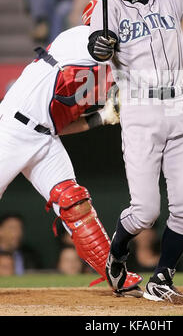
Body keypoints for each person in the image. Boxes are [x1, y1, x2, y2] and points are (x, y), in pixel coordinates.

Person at [87, 0, 183, 303]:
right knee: (145, 212)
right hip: (139, 111)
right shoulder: (108, 7)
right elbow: (95, 44)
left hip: (178, 109)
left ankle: (162, 279)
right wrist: (100, 45)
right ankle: (117, 253)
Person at [0, 21, 143, 296]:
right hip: (12, 129)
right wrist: (101, 42)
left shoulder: (111, 71)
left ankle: (116, 275)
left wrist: (101, 117)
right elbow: (94, 45)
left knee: (73, 201)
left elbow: (59, 123)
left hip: (45, 137)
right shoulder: (79, 38)